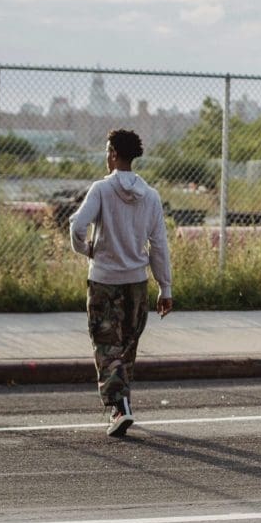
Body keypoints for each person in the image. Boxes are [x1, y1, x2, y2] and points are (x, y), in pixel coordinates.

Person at [70, 128, 173, 437]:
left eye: (106, 151)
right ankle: (121, 407)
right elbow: (159, 246)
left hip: (103, 281)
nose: (106, 156)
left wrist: (85, 249)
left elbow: (77, 225)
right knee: (126, 348)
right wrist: (164, 288)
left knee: (106, 346)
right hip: (137, 284)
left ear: (113, 153)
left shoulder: (101, 190)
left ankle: (120, 406)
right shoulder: (151, 196)